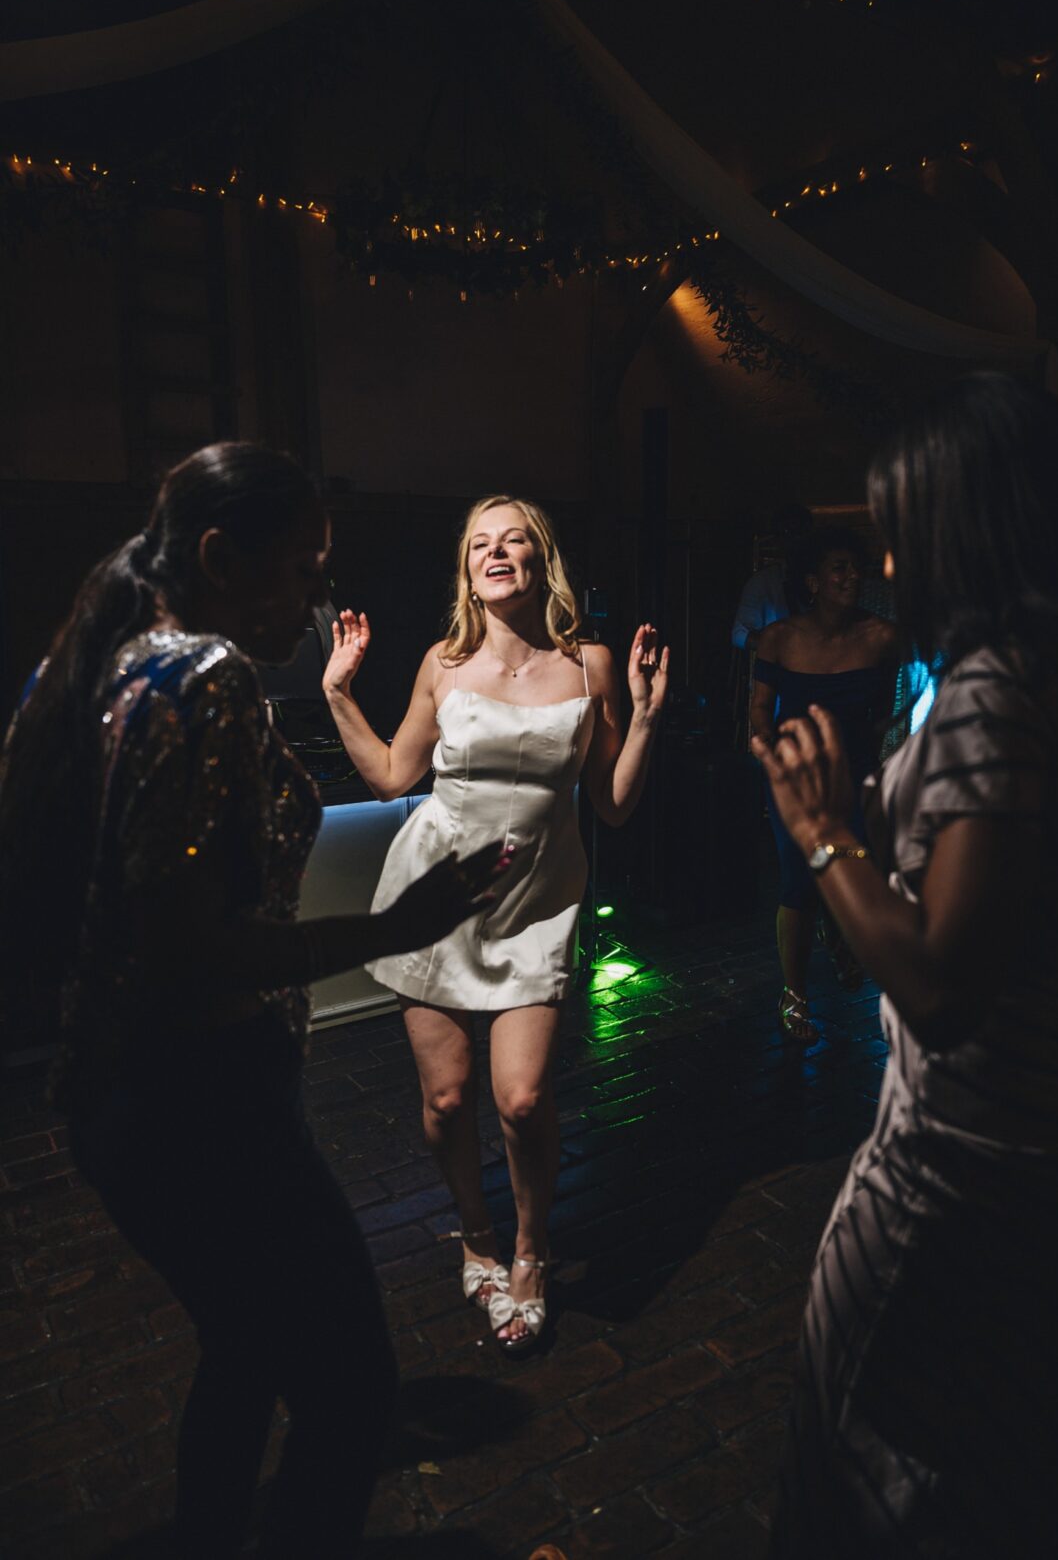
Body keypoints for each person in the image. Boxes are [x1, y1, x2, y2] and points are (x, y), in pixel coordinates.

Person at [0, 443, 504, 1560]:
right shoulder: (205, 679)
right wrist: (392, 928)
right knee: (351, 1394)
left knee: (240, 1349)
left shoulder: (86, 666)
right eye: (303, 572)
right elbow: (190, 951)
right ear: (222, 556)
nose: (316, 603)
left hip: (117, 1097)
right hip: (206, 1100)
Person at [754, 372, 1058, 1558]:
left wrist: (820, 831)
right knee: (995, 1487)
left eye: (900, 530)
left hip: (951, 1173)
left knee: (849, 1477)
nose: (891, 564)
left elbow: (945, 984)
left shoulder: (990, 691)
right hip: (1057, 1161)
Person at [322, 493, 669, 1353]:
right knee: (446, 1099)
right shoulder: (443, 663)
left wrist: (647, 717)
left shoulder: (587, 664)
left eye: (515, 540)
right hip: (435, 899)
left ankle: (528, 1247)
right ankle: (474, 1232)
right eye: (482, 543)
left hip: (539, 904)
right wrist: (337, 693)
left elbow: (614, 806)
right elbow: (393, 775)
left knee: (520, 1099)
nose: (498, 552)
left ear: (540, 559)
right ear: (467, 570)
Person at [750, 526, 897, 1040]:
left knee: (851, 866)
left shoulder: (881, 637)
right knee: (799, 882)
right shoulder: (779, 639)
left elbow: (885, 711)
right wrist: (770, 759)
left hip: (854, 776)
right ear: (812, 580)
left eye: (855, 568)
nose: (851, 576)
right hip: (791, 778)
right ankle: (795, 995)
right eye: (839, 568)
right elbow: (759, 714)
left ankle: (837, 934)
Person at [731, 503, 813, 651]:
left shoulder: (827, 578)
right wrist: (785, 650)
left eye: (802, 532)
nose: (796, 539)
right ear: (778, 541)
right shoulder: (764, 582)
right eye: (788, 532)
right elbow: (740, 634)